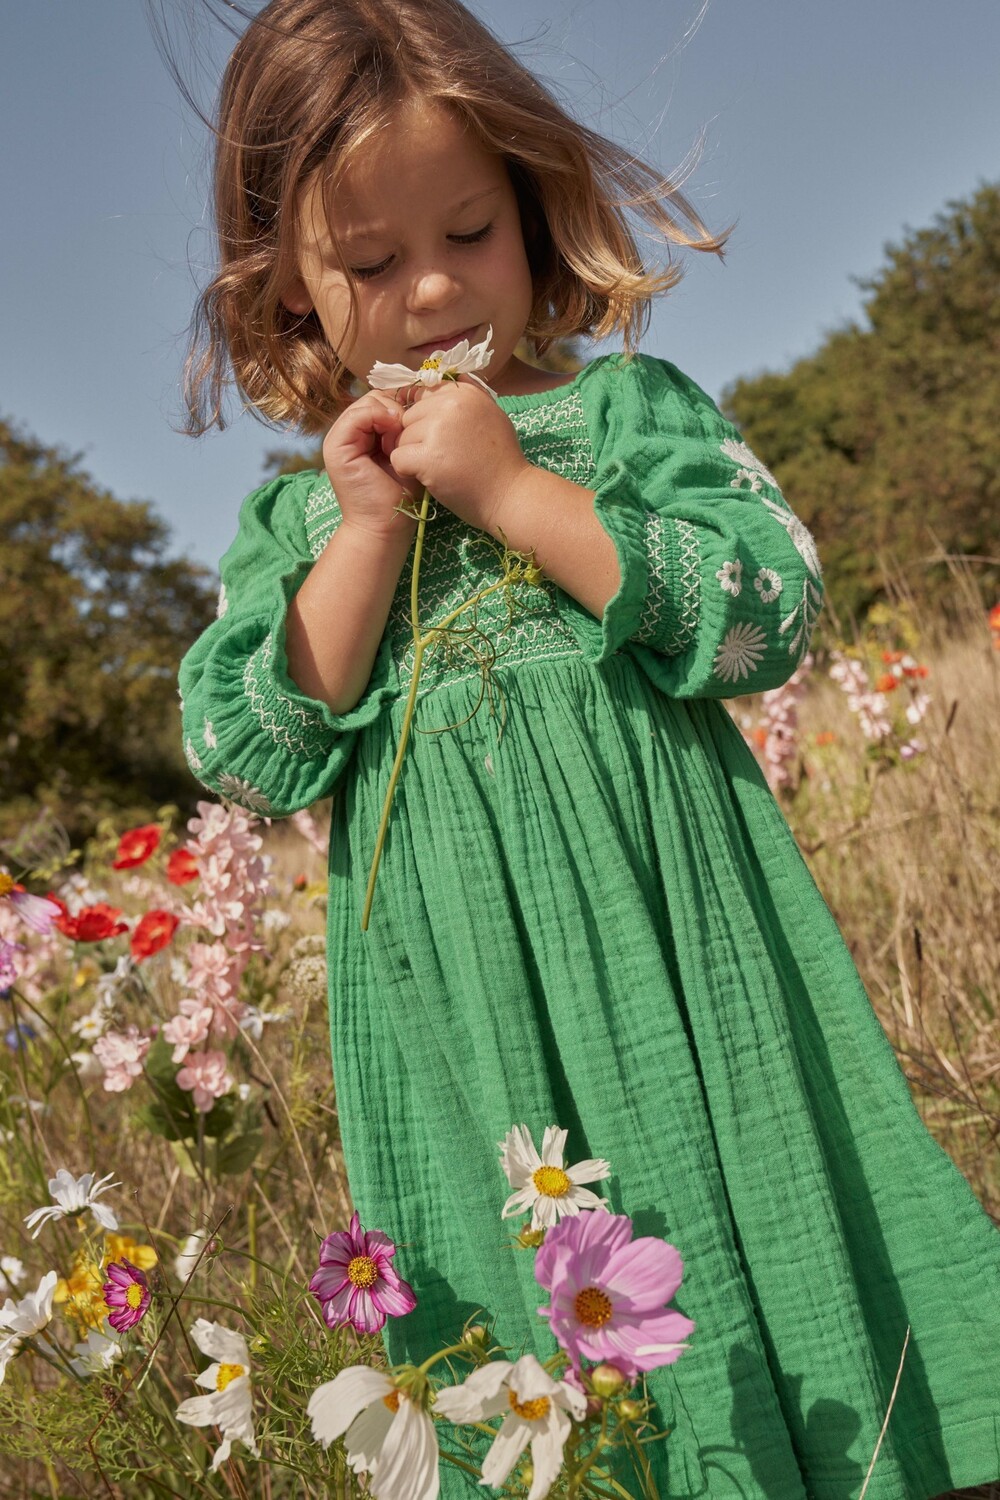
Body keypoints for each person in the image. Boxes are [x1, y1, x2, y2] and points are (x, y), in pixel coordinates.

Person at [177, 1, 1000, 1495]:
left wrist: (516, 494)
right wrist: (363, 540)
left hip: (687, 959)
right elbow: (242, 756)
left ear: (536, 210)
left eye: (471, 233)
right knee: (526, 1362)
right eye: (367, 265)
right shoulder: (299, 524)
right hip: (457, 1014)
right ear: (290, 296)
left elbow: (775, 617)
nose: (430, 289)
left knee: (746, 1219)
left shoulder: (622, 416)